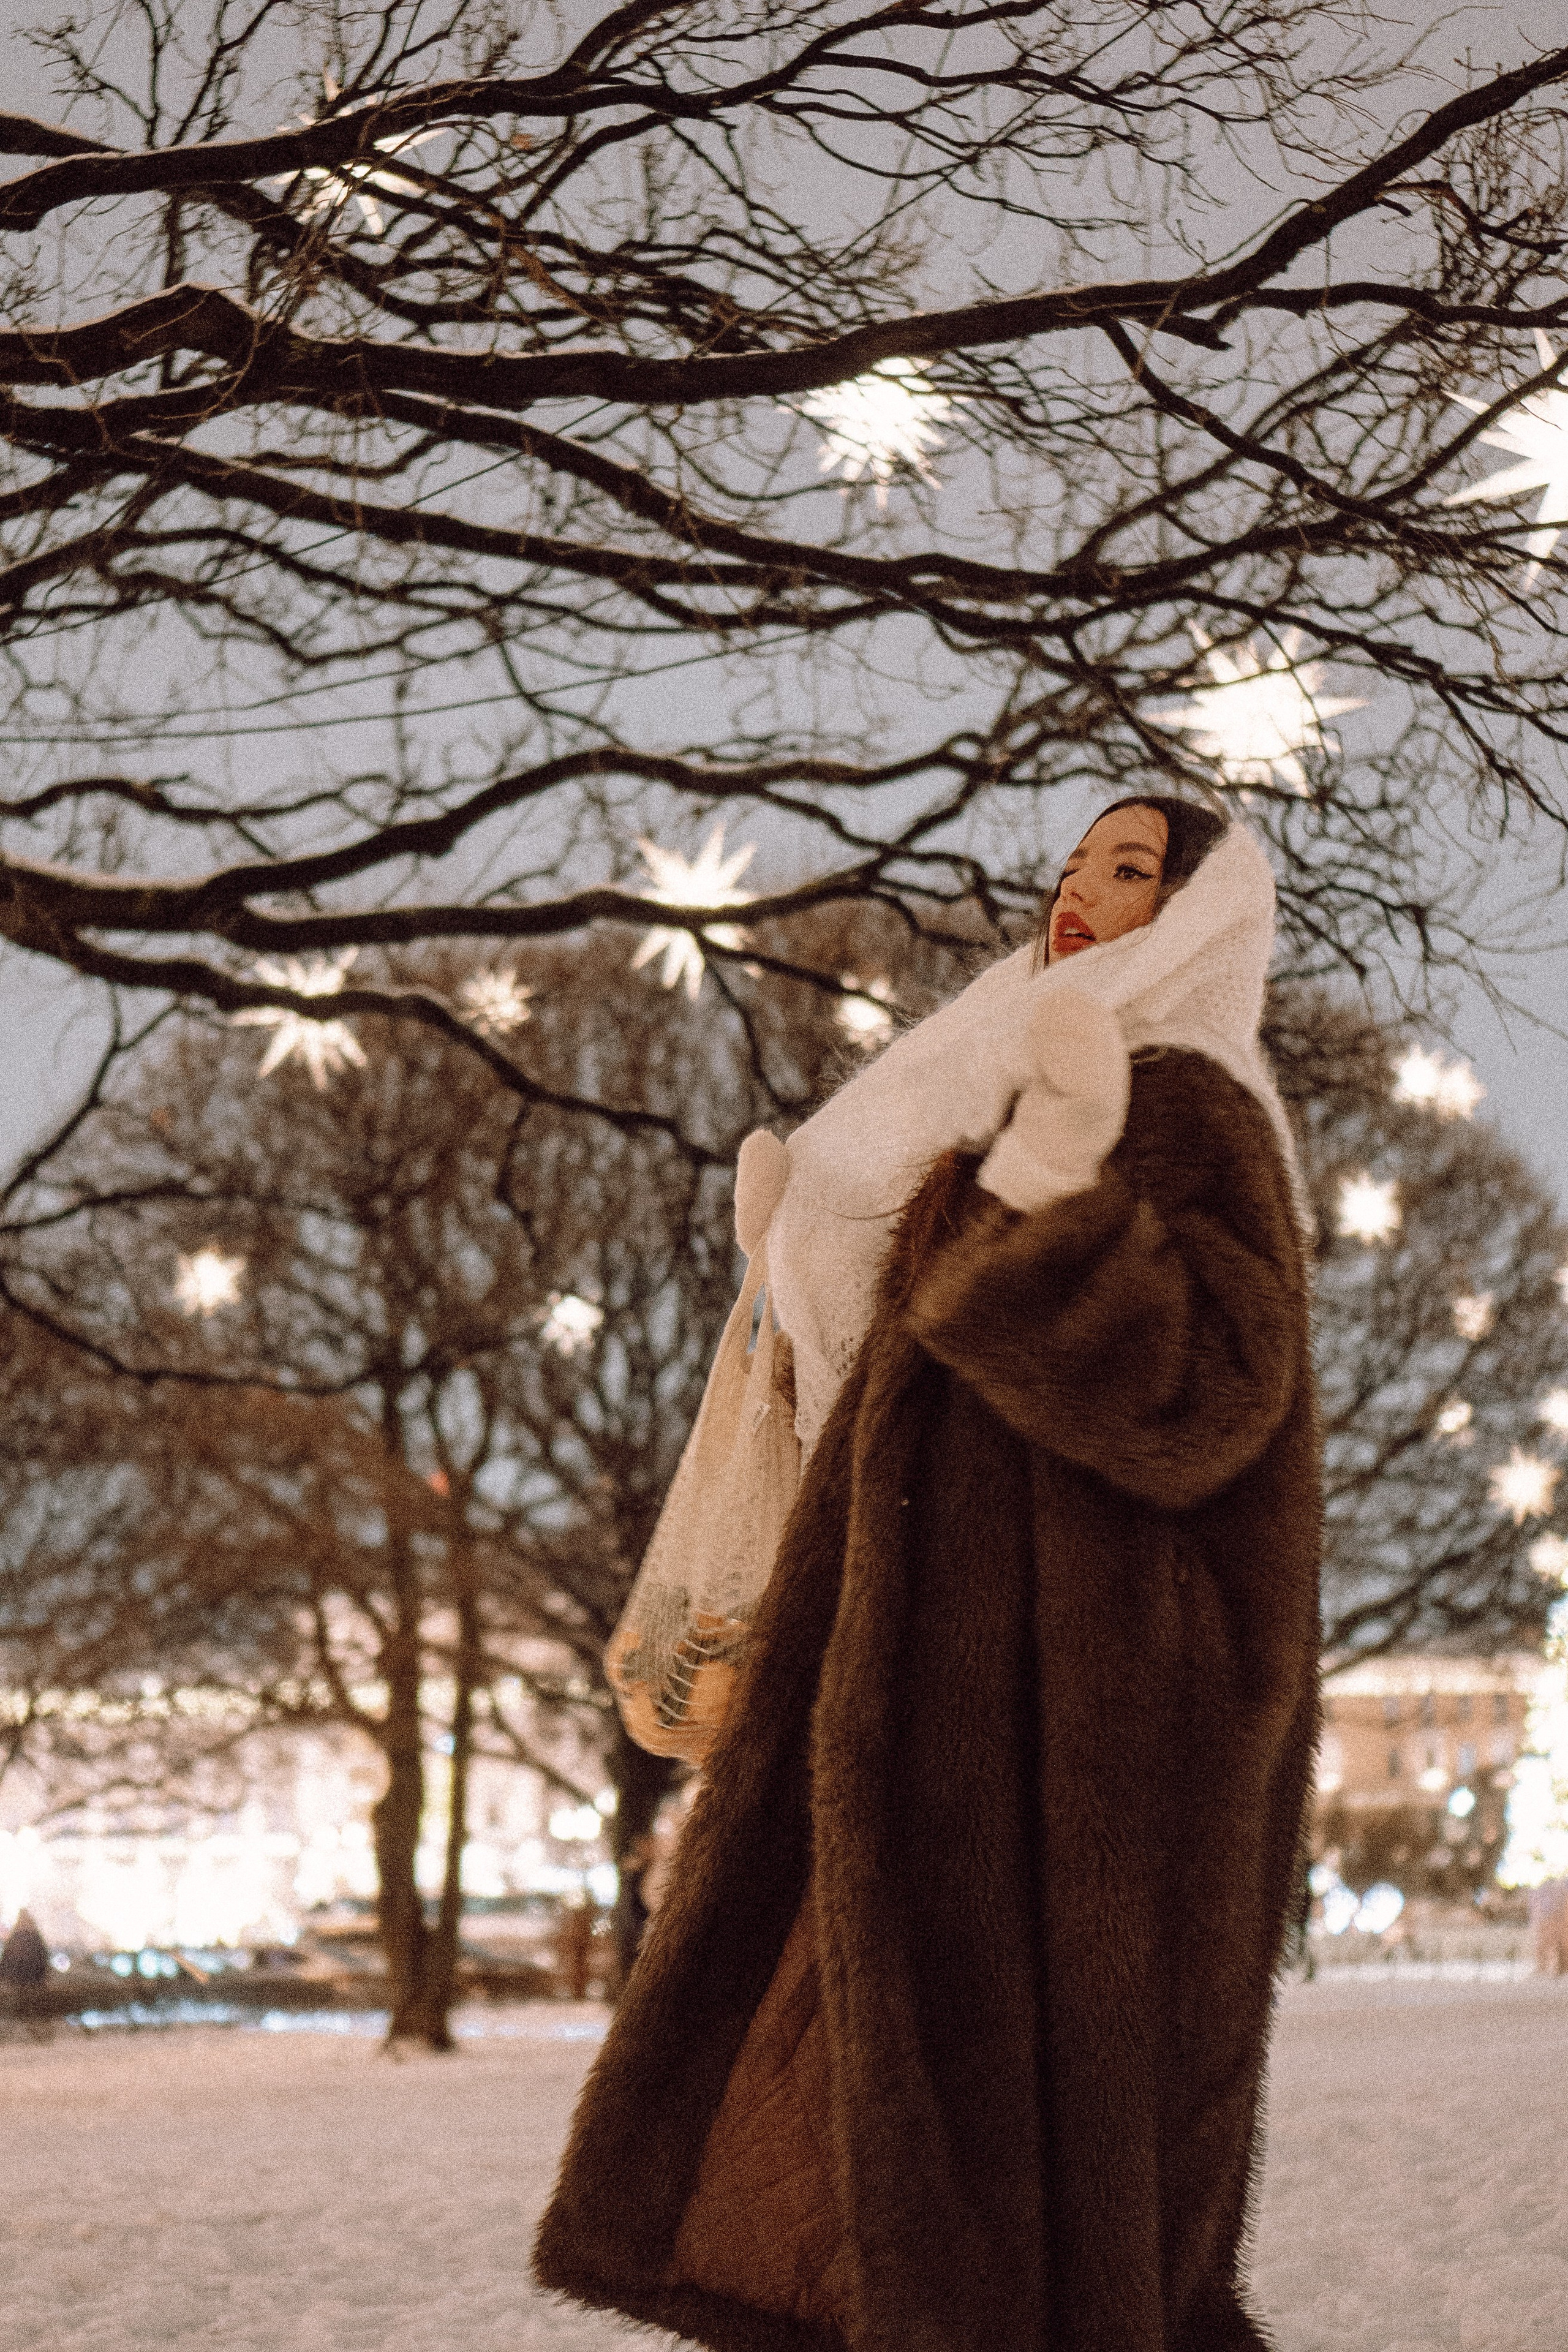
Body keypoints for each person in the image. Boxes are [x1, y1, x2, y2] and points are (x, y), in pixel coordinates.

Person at [536, 798, 1321, 2352]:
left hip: (1089, 1725)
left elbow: (1218, 1390)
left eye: (1130, 868)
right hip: (927, 1694)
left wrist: (1058, 1204)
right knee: (888, 2130)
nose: (1082, 889)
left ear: (1200, 910)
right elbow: (915, 1409)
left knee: (1060, 2194)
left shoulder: (1183, 1096)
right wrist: (808, 1277)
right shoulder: (1003, 1088)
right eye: (1075, 863)